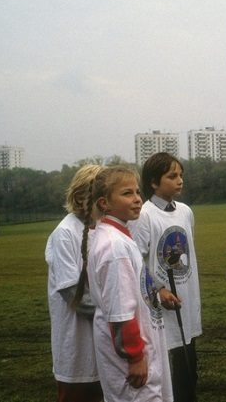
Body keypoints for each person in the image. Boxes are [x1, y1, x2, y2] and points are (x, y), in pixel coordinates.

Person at [75, 166, 174, 402]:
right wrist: (135, 356)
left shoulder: (118, 237)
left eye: (137, 192)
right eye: (127, 193)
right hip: (130, 355)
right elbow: (121, 311)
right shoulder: (114, 246)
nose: (137, 199)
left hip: (139, 346)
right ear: (104, 203)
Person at [130, 152, 202, 402]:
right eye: (172, 176)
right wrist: (158, 290)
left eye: (181, 175)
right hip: (162, 310)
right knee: (170, 377)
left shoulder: (185, 211)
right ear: (153, 182)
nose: (179, 180)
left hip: (186, 302)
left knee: (188, 372)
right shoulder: (144, 215)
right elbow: (136, 262)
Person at [45, 164, 104, 402]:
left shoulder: (101, 230)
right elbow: (73, 293)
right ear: (81, 197)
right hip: (77, 343)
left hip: (103, 341)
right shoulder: (65, 234)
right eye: (100, 195)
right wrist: (113, 317)